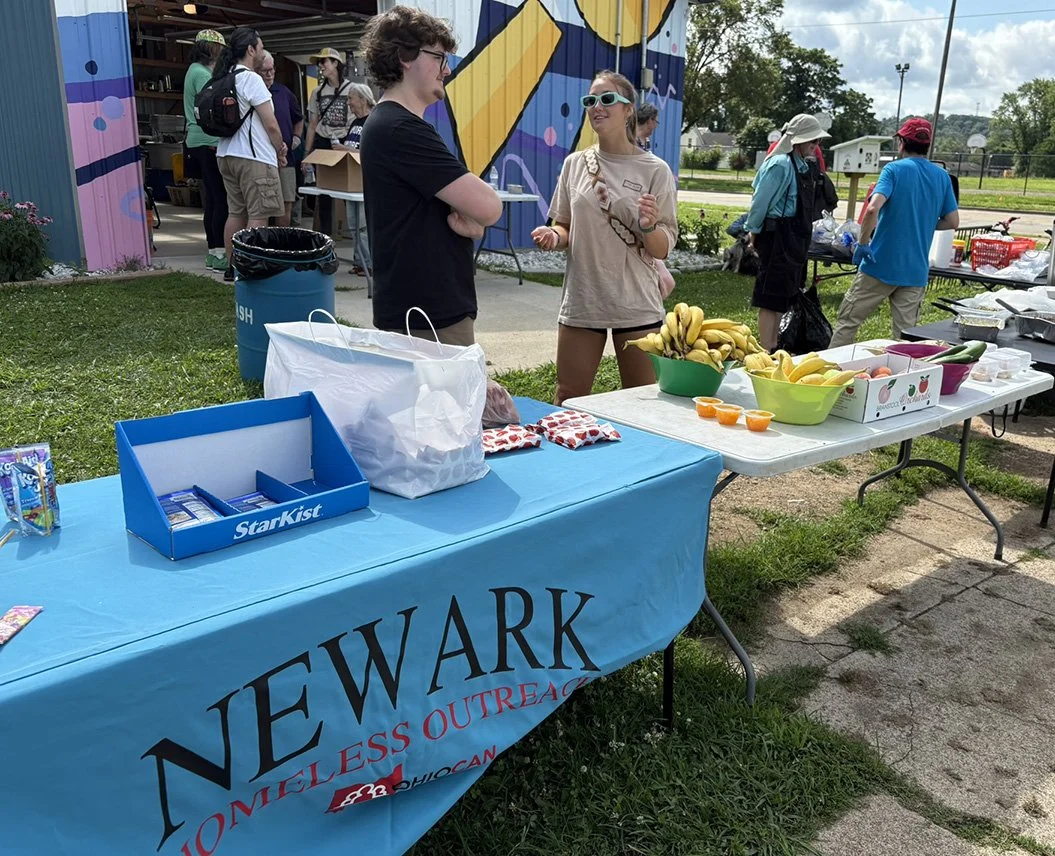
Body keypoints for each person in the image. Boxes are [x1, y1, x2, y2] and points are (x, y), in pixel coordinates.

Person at [531, 71, 678, 405]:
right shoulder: (574, 164)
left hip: (636, 303)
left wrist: (649, 226)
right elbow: (565, 225)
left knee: (642, 403)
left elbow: (662, 247)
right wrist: (554, 235)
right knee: (568, 397)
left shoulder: (655, 170)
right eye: (590, 100)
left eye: (607, 99)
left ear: (628, 109)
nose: (597, 106)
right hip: (584, 299)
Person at [359, 5, 502, 346]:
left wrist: (473, 220)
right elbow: (489, 206)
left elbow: (467, 213)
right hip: (428, 316)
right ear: (405, 57)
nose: (447, 70)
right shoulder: (400, 129)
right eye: (439, 57)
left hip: (420, 310)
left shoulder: (392, 125)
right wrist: (475, 217)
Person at [830, 118, 959, 346]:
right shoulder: (942, 177)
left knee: (848, 321)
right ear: (927, 145)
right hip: (915, 271)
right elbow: (952, 221)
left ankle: (833, 366)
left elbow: (873, 208)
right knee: (906, 337)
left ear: (902, 142)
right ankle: (904, 369)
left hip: (879, 264)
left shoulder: (893, 170)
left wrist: (863, 243)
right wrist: (924, 222)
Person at [744, 114, 828, 351]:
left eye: (818, 141)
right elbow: (760, 202)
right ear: (797, 140)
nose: (816, 146)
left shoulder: (801, 165)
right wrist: (753, 233)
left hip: (793, 240)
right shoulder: (780, 164)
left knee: (783, 297)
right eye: (812, 140)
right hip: (777, 238)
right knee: (770, 298)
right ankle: (766, 348)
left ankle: (774, 345)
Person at [213, 27, 288, 282]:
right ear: (250, 50)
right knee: (259, 214)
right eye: (261, 47)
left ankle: (232, 267)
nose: (263, 52)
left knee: (235, 213)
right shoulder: (251, 79)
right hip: (253, 157)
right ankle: (249, 270)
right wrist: (279, 148)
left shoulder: (225, 77)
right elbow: (271, 124)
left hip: (226, 154)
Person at [182, 29, 228, 272]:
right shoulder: (201, 74)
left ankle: (213, 252)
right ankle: (220, 252)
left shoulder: (193, 70)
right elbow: (211, 104)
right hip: (208, 140)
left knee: (211, 198)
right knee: (220, 198)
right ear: (212, 48)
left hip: (196, 140)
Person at [304, 47, 353, 239]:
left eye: (324, 61)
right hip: (323, 141)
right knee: (323, 192)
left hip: (345, 141)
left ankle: (355, 233)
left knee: (349, 190)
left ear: (335, 63)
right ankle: (325, 236)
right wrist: (307, 154)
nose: (321, 66)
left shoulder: (352, 89)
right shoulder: (317, 92)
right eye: (319, 63)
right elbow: (312, 124)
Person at [334, 82, 375, 275]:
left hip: (365, 182)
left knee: (363, 226)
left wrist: (343, 148)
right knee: (353, 225)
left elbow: (369, 152)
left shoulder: (372, 121)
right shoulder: (355, 122)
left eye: (351, 98)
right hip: (352, 182)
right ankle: (360, 261)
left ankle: (370, 264)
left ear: (362, 99)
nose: (349, 103)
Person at [258, 50, 303, 227]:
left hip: (286, 159)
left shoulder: (284, 92)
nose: (269, 74)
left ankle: (282, 241)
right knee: (261, 206)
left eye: (272, 70)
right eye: (265, 71)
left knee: (285, 203)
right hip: (261, 158)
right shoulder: (253, 91)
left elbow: (298, 119)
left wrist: (296, 137)